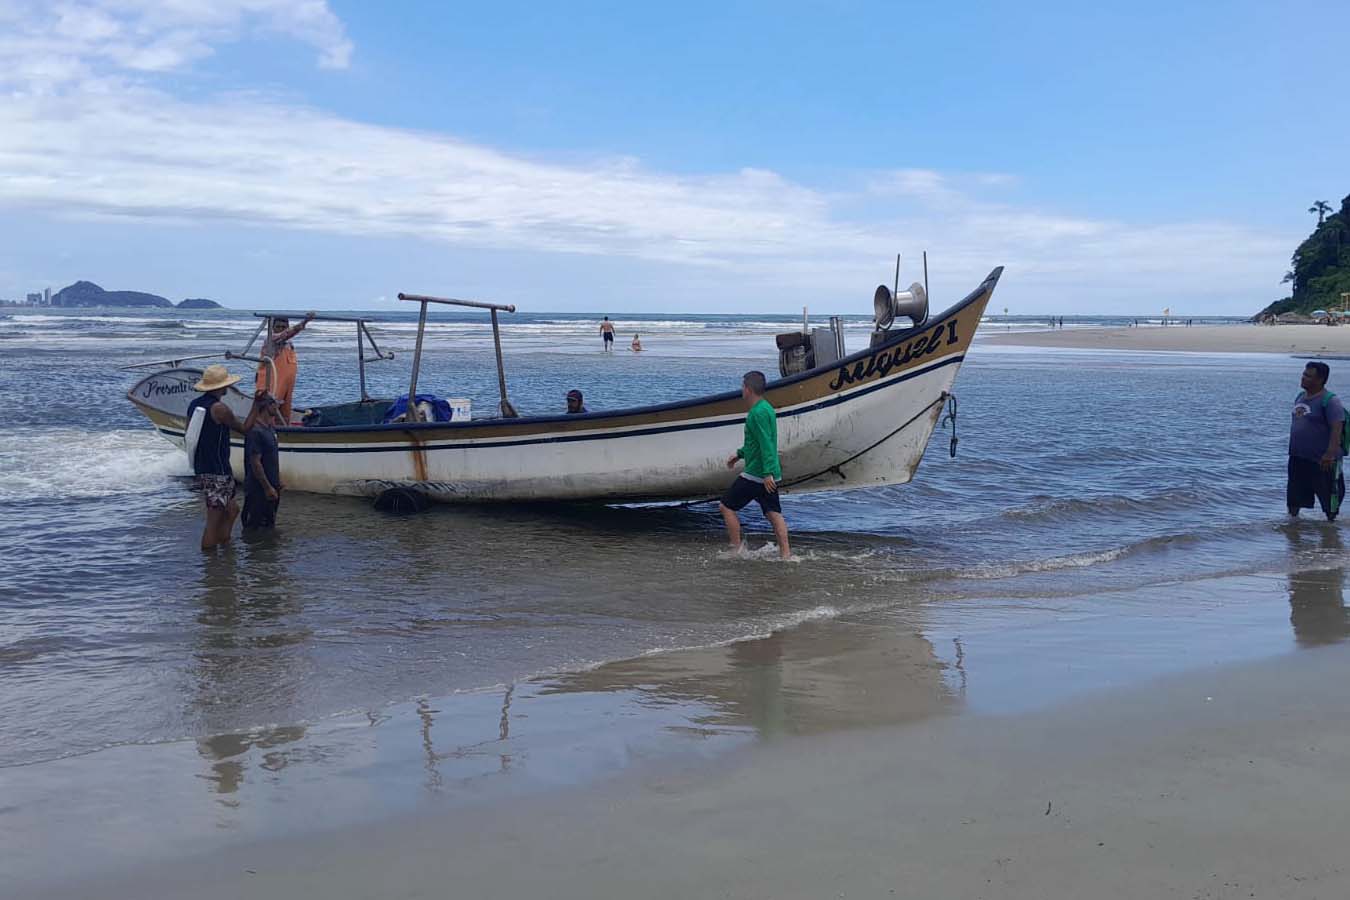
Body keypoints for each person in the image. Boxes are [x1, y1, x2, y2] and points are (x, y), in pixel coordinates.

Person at [187, 365, 264, 550]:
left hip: (204, 466)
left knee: (232, 509)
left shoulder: (194, 404)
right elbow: (245, 429)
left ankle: (224, 545)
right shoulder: (219, 408)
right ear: (222, 387)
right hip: (217, 470)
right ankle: (211, 564)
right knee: (214, 518)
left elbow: (189, 434)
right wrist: (256, 405)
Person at [721, 370, 792, 560]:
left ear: (748, 389)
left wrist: (766, 472)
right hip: (768, 473)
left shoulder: (757, 413)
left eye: (742, 386)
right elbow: (756, 442)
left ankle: (736, 548)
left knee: (726, 507)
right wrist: (739, 454)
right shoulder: (766, 408)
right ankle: (786, 555)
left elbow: (766, 444)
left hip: (757, 474)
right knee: (773, 513)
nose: (741, 390)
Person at [1288, 361, 1345, 521]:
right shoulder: (1300, 396)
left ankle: (1331, 535)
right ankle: (1293, 533)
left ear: (1320, 380)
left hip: (1322, 460)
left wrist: (1329, 454)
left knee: (1329, 502)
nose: (1303, 378)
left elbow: (1337, 429)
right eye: (1304, 374)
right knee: (1294, 499)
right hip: (1298, 458)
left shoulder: (1330, 401)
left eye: (1308, 376)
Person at [255, 311, 316, 423]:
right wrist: (306, 321)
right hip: (271, 383)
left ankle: (285, 432)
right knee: (269, 409)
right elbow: (287, 334)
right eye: (278, 327)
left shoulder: (289, 344)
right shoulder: (271, 339)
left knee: (285, 411)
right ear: (272, 327)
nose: (281, 329)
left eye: (283, 327)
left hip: (286, 384)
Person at [242, 393, 285, 529]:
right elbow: (255, 462)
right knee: (255, 527)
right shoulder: (256, 431)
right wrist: (267, 487)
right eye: (274, 404)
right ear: (267, 406)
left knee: (269, 525)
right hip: (258, 489)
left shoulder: (270, 429)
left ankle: (267, 549)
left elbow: (272, 458)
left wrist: (278, 481)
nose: (277, 407)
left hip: (272, 485)